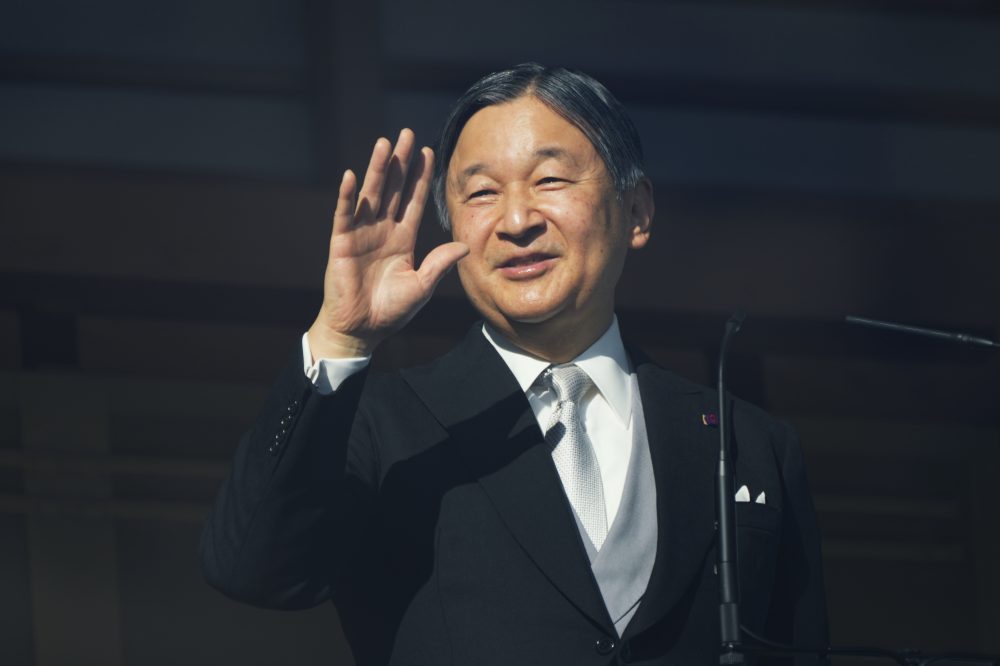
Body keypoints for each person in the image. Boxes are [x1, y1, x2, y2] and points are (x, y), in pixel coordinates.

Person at [201, 63, 828, 665]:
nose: (518, 220)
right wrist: (341, 334)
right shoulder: (384, 426)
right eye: (482, 193)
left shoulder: (750, 443)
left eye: (550, 180)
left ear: (637, 211)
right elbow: (254, 569)